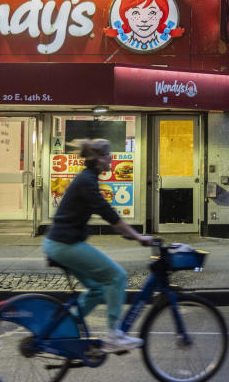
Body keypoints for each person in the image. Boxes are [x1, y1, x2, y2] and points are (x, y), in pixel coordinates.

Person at [43, 139, 153, 352]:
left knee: (96, 289)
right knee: (116, 277)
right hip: (65, 244)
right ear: (100, 159)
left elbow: (106, 212)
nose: (112, 159)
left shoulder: (87, 179)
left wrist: (130, 234)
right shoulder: (86, 181)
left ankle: (67, 326)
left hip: (59, 243)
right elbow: (108, 213)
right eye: (109, 155)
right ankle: (114, 335)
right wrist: (138, 236)